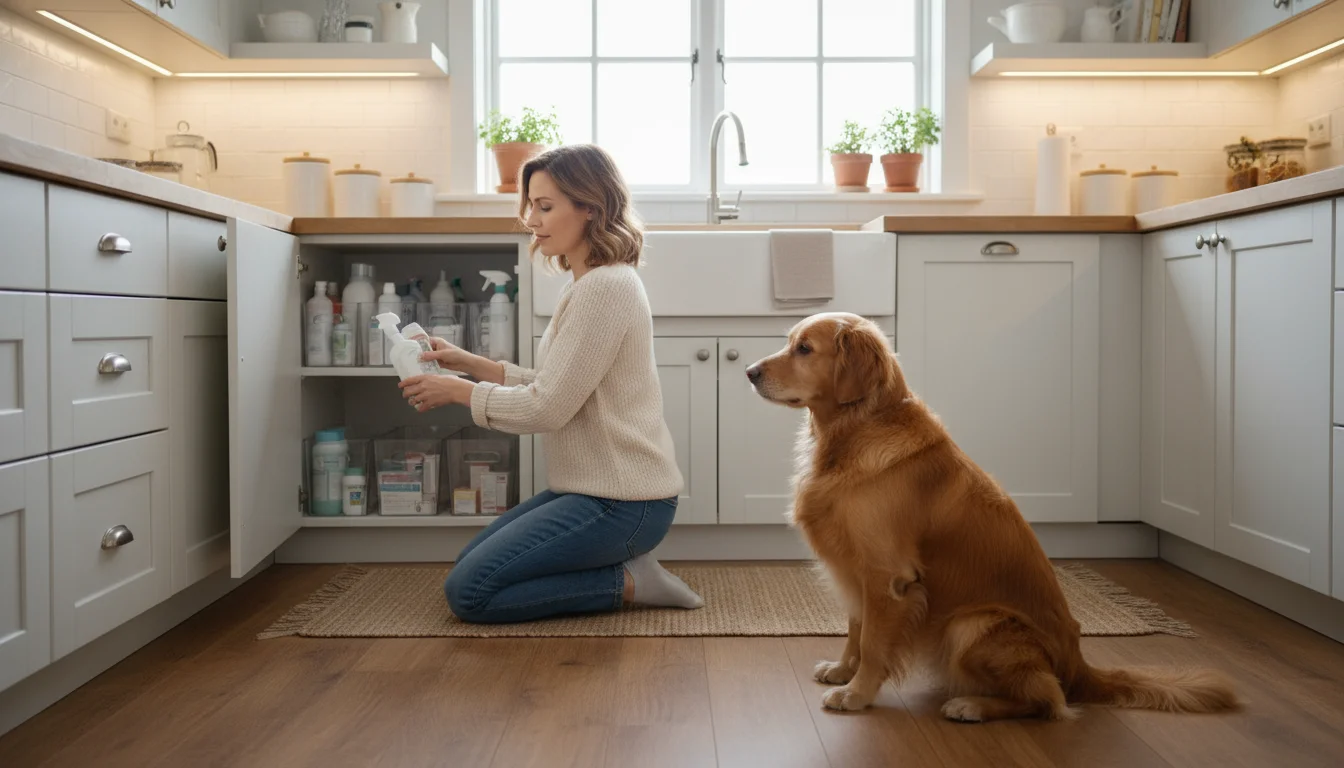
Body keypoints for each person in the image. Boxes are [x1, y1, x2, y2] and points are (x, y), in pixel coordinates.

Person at [397, 144, 703, 623]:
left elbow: (545, 409)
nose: (532, 221)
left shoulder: (605, 288)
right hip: (591, 492)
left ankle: (627, 582)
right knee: (470, 568)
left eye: (545, 207)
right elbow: (557, 384)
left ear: (590, 208)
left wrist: (457, 391)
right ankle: (623, 567)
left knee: (470, 592)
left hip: (621, 503)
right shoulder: (589, 283)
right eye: (531, 207)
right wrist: (469, 363)